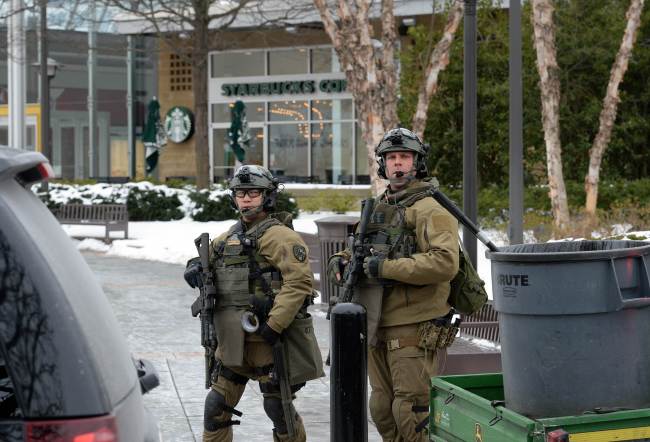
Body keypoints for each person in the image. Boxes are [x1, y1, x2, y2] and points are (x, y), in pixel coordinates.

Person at [327, 128, 460, 441]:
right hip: (375, 324)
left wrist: (385, 267)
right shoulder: (377, 207)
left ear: (417, 163)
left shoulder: (430, 209)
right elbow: (352, 251)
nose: (398, 164)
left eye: (404, 157)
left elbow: (444, 262)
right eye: (392, 158)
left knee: (411, 411)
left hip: (412, 326)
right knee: (382, 409)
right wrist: (341, 265)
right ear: (382, 164)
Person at [184, 165, 324, 442]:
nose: (246, 199)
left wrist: (274, 325)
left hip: (269, 342)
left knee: (278, 408)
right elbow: (207, 260)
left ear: (267, 197)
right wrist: (193, 267)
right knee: (216, 406)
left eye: (253, 193)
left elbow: (299, 284)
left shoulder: (280, 237)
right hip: (233, 342)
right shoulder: (229, 238)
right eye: (240, 193)